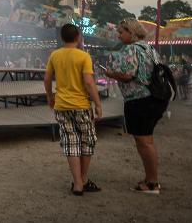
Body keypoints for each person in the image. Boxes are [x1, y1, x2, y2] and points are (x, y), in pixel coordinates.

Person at [105, 18, 168, 194]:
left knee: (144, 143)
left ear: (130, 32)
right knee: (147, 141)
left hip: (139, 100)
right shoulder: (149, 48)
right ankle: (150, 179)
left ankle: (152, 183)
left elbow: (127, 75)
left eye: (121, 32)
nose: (118, 35)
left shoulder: (131, 49)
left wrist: (111, 73)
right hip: (154, 98)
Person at [44, 23, 103, 196]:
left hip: (62, 106)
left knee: (71, 143)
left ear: (62, 38)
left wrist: (49, 96)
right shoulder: (83, 56)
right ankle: (83, 179)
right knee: (87, 141)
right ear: (78, 37)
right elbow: (89, 82)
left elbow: (47, 78)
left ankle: (77, 183)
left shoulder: (55, 55)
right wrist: (98, 104)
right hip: (81, 106)